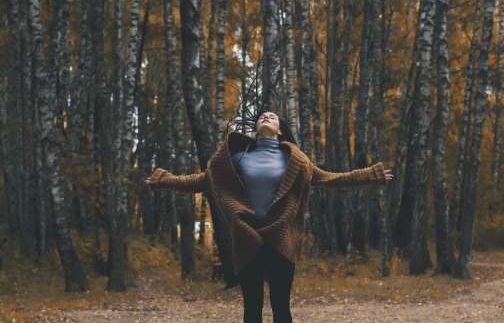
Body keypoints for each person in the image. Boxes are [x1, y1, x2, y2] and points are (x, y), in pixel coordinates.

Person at [144, 111, 393, 323]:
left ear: (279, 130)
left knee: (281, 307)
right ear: (255, 128)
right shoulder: (236, 158)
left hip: (281, 238)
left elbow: (330, 178)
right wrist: (163, 181)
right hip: (247, 236)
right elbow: (201, 181)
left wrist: (370, 175)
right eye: (263, 116)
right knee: (252, 309)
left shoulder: (297, 160)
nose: (267, 116)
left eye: (272, 116)